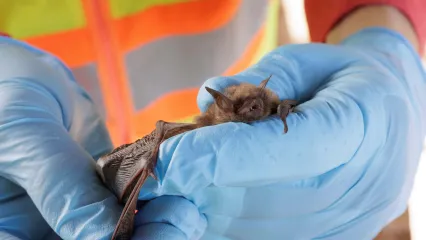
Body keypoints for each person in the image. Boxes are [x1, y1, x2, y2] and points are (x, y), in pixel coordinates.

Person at [0, 0, 425, 239]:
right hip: (65, 141)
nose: (253, 112)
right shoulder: (206, 123)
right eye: (245, 108)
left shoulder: (272, 106)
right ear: (222, 105)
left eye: (259, 105)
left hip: (245, 177)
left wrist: (385, 39)